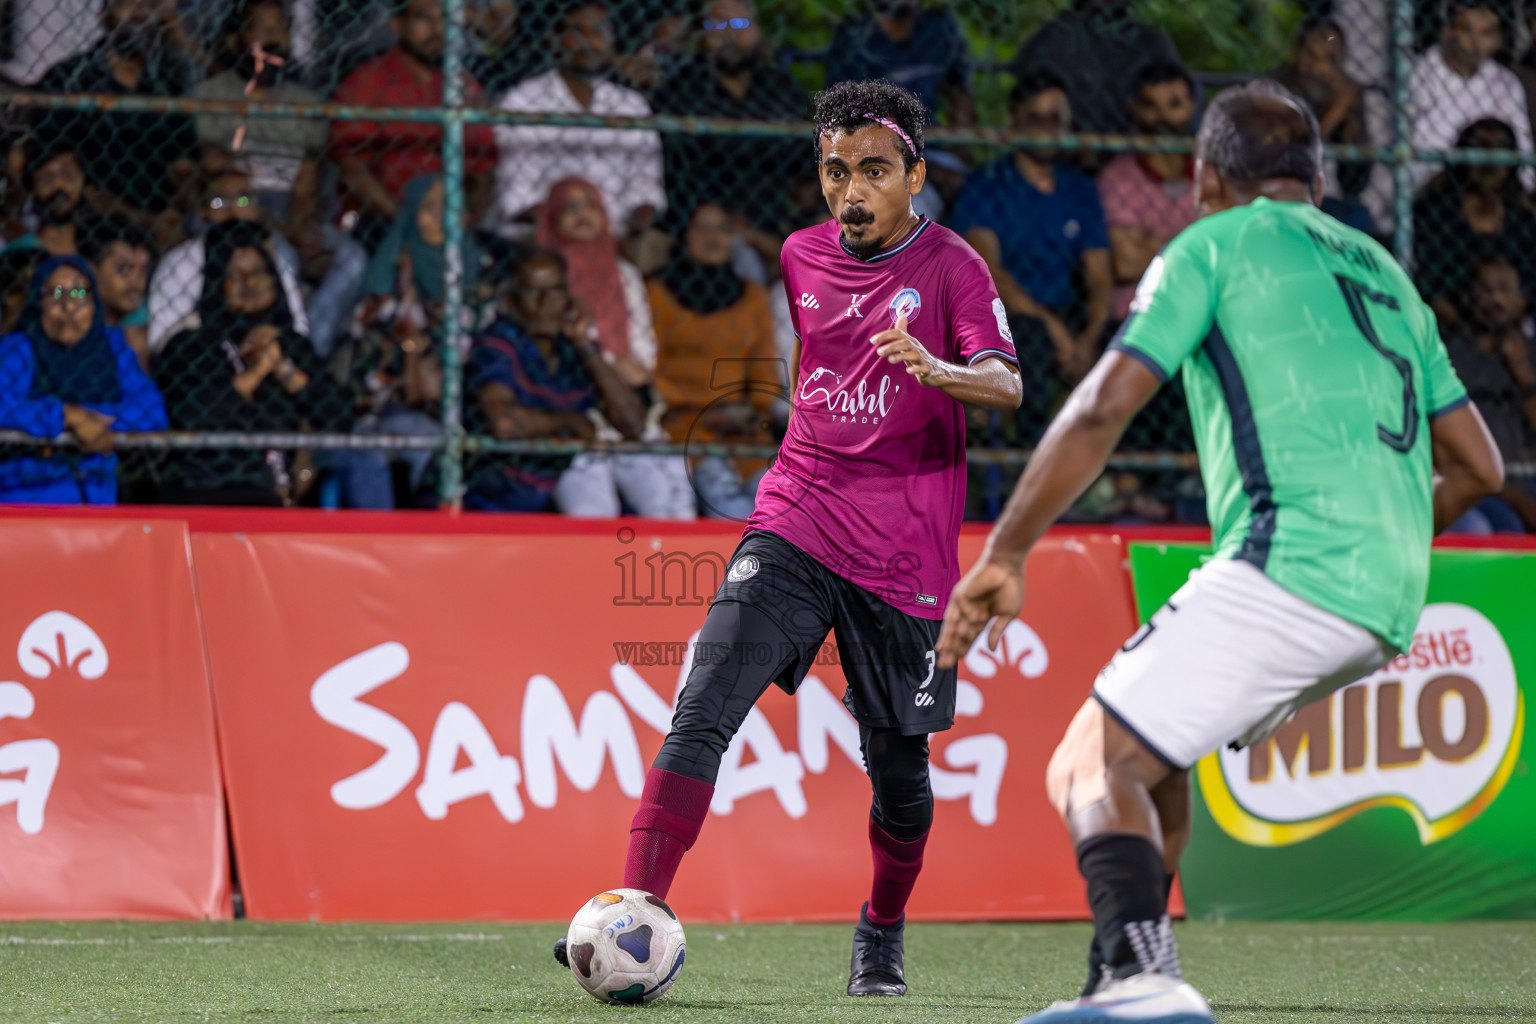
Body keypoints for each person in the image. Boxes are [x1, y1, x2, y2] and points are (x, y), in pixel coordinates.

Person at [935, 81, 1504, 1022]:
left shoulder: (1210, 245)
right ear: (1315, 180)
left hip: (1287, 563)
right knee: (1154, 760)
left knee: (1084, 764)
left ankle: (1142, 981)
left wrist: (1006, 549)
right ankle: (1117, 980)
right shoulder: (1388, 274)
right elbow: (1479, 468)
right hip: (1389, 595)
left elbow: (1104, 405)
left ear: (1204, 177)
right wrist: (1377, 540)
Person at [550, 80, 1022, 998]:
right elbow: (821, 380)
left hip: (904, 559)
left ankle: (880, 930)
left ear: (914, 176)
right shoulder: (801, 257)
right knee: (705, 700)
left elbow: (1005, 386)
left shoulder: (954, 267)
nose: (854, 191)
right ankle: (634, 909)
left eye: (875, 172)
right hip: (796, 519)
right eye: (838, 171)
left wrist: (938, 369)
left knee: (900, 779)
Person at [464, 248, 693, 517]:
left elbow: (633, 424)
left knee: (661, 485)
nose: (545, 303)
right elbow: (504, 424)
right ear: (511, 300)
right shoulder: (496, 345)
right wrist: (570, 422)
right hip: (500, 487)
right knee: (591, 491)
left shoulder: (569, 348)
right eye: (532, 291)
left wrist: (585, 344)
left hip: (557, 469)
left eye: (556, 290)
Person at [155, 221, 348, 506]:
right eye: (235, 276)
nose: (249, 284)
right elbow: (195, 415)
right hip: (206, 487)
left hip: (275, 489)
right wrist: (256, 373)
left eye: (257, 273)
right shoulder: (190, 343)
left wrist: (284, 370)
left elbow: (338, 416)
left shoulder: (291, 343)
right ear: (217, 284)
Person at [948, 70, 1111, 407]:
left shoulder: (1079, 189)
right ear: (1014, 123)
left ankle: (1121, 454)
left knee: (1120, 337)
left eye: (1055, 119)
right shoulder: (988, 186)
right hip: (1009, 315)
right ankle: (1026, 449)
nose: (1047, 129)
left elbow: (1099, 277)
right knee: (1031, 341)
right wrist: (1050, 326)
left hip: (1068, 311)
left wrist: (1089, 338)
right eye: (1035, 118)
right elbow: (987, 274)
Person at [647, 200, 781, 519]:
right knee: (726, 504)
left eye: (723, 229)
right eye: (703, 228)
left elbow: (764, 375)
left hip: (742, 428)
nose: (714, 238)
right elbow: (650, 371)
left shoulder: (752, 298)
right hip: (682, 424)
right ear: (683, 236)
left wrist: (749, 413)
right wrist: (700, 410)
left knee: (781, 506)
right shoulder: (657, 294)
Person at [329, 0, 497, 250]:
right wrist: (404, 221)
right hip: (380, 218)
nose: (437, 29)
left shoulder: (466, 87)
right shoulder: (368, 83)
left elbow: (484, 171)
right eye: (423, 18)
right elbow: (353, 170)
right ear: (398, 25)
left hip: (452, 219)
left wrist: (468, 221)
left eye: (444, 19)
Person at [0, 255, 167, 504]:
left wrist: (91, 421)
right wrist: (64, 417)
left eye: (79, 293)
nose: (68, 306)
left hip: (96, 497)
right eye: (56, 294)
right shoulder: (19, 348)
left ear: (94, 302)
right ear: (39, 302)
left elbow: (152, 412)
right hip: (27, 495)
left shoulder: (112, 346)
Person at [493, 2, 666, 236]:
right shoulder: (522, 101)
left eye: (599, 31)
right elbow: (518, 198)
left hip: (617, 237)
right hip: (541, 237)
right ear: (554, 40)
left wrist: (630, 228)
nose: (588, 41)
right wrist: (576, 237)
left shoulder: (632, 106)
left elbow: (645, 191)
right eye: (576, 31)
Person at [651, 0, 807, 258]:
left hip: (772, 218)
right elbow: (676, 172)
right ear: (700, 37)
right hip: (699, 223)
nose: (728, 33)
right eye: (717, 24)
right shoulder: (680, 91)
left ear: (756, 31)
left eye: (739, 22)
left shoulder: (779, 88)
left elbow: (806, 163)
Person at [33, 0, 198, 228]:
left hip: (163, 223)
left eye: (151, 5)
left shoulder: (169, 85)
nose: (141, 12)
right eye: (129, 2)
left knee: (233, 201)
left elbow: (183, 165)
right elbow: (63, 176)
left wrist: (182, 207)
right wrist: (149, 220)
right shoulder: (68, 79)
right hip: (89, 225)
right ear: (106, 11)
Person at [192, 0, 326, 227]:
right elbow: (210, 163)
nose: (272, 36)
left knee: (346, 256)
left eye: (279, 27)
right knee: (220, 210)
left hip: (285, 200)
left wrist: (296, 222)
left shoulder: (307, 103)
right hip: (231, 197)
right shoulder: (210, 94)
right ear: (241, 38)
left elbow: (307, 180)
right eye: (261, 27)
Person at [146, 168, 310, 354]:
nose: (234, 209)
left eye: (243, 199)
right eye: (218, 202)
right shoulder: (181, 262)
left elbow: (299, 326)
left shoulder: (275, 258)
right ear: (203, 213)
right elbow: (159, 338)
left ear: (258, 211)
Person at [1096, 61, 1198, 322]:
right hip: (1138, 312)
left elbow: (1225, 255)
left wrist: (1152, 243)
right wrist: (1194, 243)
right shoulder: (1118, 177)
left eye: (1174, 105)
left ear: (1192, 107)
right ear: (1135, 109)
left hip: (1202, 306)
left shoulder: (1210, 173)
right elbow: (1126, 264)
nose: (1162, 118)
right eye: (1151, 106)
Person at [1413, 118, 1536, 331]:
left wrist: (1506, 327)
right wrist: (1470, 333)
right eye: (1480, 147)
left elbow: (1529, 288)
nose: (1489, 159)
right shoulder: (1436, 213)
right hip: (1448, 330)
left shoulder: (1521, 220)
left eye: (1499, 149)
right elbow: (1429, 287)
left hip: (1511, 328)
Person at [1442, 255, 1536, 532]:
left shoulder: (1530, 353)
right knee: (1492, 526)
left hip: (1529, 475)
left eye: (1504, 288)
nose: (1493, 298)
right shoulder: (1453, 355)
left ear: (1522, 298)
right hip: (1483, 483)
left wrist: (1523, 373)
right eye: (1484, 289)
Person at [1410, 0, 1534, 192]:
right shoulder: (1420, 72)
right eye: (1467, 30)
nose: (1476, 42)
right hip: (1431, 191)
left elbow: (1523, 151)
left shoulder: (1506, 82)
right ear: (1449, 31)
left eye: (1487, 33)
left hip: (1491, 188)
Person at [1012, 0, 1183, 137]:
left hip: (1139, 163)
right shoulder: (1055, 38)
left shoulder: (1153, 42)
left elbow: (1183, 112)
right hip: (1070, 163)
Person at [825, 1, 973, 124]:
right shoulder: (852, 36)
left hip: (929, 144)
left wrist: (958, 140)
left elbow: (961, 92)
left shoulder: (939, 29)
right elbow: (837, 108)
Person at [79, 214, 155, 367]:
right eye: (124, 269)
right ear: (90, 271)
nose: (136, 282)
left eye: (142, 271)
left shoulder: (140, 335)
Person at [10, 141, 89, 256]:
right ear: (33, 184)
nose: (58, 184)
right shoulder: (18, 249)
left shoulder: (95, 243)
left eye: (68, 176)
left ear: (82, 180)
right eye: (47, 178)